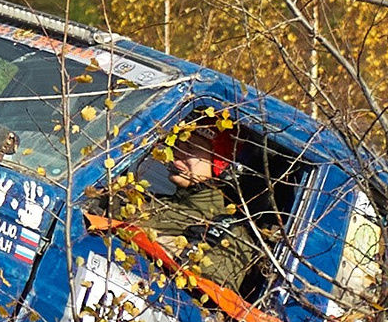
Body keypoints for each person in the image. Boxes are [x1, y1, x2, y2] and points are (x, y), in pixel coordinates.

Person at [92, 123, 277, 291]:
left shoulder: (225, 232)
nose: (176, 156)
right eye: (178, 146)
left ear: (221, 165)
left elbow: (205, 302)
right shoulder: (171, 204)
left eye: (190, 149)